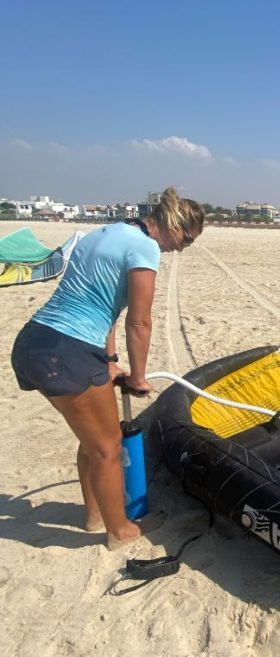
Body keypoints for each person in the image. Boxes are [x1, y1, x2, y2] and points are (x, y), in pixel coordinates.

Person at [11, 187, 204, 550]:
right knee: (108, 448)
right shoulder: (145, 247)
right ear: (174, 223)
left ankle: (95, 515)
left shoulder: (104, 233)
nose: (182, 248)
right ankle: (120, 530)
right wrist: (140, 378)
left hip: (35, 341)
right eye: (187, 239)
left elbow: (107, 309)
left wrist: (113, 362)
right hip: (67, 351)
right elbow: (139, 322)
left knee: (93, 440)